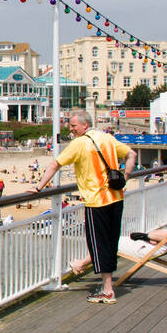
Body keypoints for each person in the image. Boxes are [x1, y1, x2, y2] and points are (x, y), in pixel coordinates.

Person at [35, 110, 137, 303]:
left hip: (96, 200)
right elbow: (131, 154)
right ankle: (107, 287)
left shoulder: (79, 143)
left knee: (98, 244)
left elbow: (55, 165)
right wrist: (125, 176)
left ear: (84, 125)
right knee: (110, 242)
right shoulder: (106, 138)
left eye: (73, 126)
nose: (71, 129)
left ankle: (107, 290)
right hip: (116, 197)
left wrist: (38, 187)